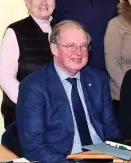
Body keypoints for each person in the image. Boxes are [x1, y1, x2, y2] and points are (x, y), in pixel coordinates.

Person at [16, 20, 121, 162]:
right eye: (71, 46)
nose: (78, 52)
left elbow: (111, 129)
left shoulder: (98, 80)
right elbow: (34, 146)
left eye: (83, 46)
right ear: (54, 49)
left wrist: (120, 156)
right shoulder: (34, 87)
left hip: (103, 156)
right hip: (63, 159)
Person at [0, 0, 56, 157]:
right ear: (27, 2)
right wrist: (31, 104)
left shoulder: (61, 29)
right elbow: (5, 76)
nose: (44, 3)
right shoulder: (15, 31)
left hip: (56, 115)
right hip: (22, 115)